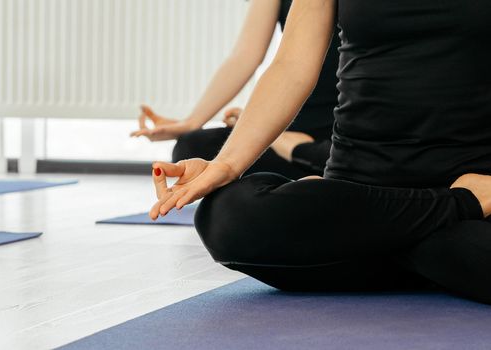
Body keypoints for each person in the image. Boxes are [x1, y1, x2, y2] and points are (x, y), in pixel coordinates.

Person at [148, 0, 491, 304]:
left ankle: (375, 245)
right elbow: (291, 66)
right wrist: (226, 163)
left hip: (459, 180)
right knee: (226, 216)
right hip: (359, 191)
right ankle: (455, 213)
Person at [131, 0, 340, 179]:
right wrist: (193, 121)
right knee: (192, 147)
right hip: (290, 129)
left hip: (343, 134)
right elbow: (245, 55)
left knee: (339, 161)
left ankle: (309, 165)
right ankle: (302, 164)